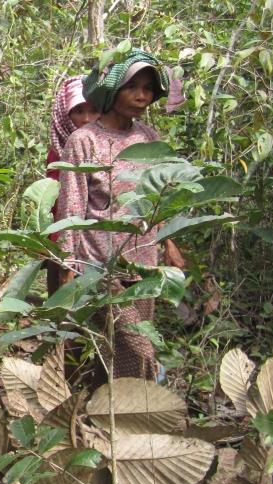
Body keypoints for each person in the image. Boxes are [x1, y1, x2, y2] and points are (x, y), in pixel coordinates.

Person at [55, 49, 185, 381]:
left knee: (114, 356)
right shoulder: (84, 141)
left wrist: (169, 244)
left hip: (143, 265)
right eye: (132, 87)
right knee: (139, 351)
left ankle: (106, 408)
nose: (141, 96)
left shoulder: (148, 138)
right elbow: (72, 206)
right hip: (101, 267)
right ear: (113, 90)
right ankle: (146, 405)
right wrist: (68, 267)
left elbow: (158, 196)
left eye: (148, 89)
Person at [45, 75, 99, 294]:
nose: (86, 119)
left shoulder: (106, 146)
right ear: (65, 114)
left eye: (93, 111)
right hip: (62, 241)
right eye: (78, 111)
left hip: (98, 242)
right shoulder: (57, 150)